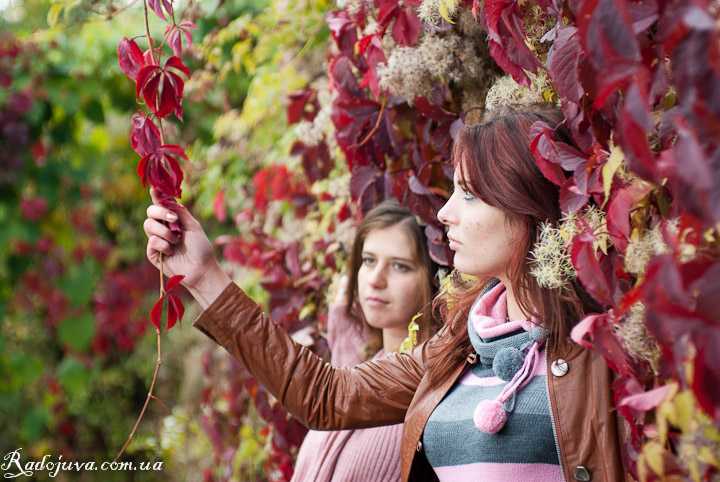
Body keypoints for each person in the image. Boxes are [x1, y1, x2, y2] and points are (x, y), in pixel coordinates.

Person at [143, 105, 631, 482]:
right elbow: (326, 396)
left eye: (469, 194)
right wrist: (205, 276)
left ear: (525, 204)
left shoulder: (601, 347)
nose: (444, 214)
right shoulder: (458, 351)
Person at [292, 200, 438, 482]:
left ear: (433, 280)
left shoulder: (433, 390)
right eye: (369, 260)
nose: (375, 280)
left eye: (399, 266)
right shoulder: (360, 367)